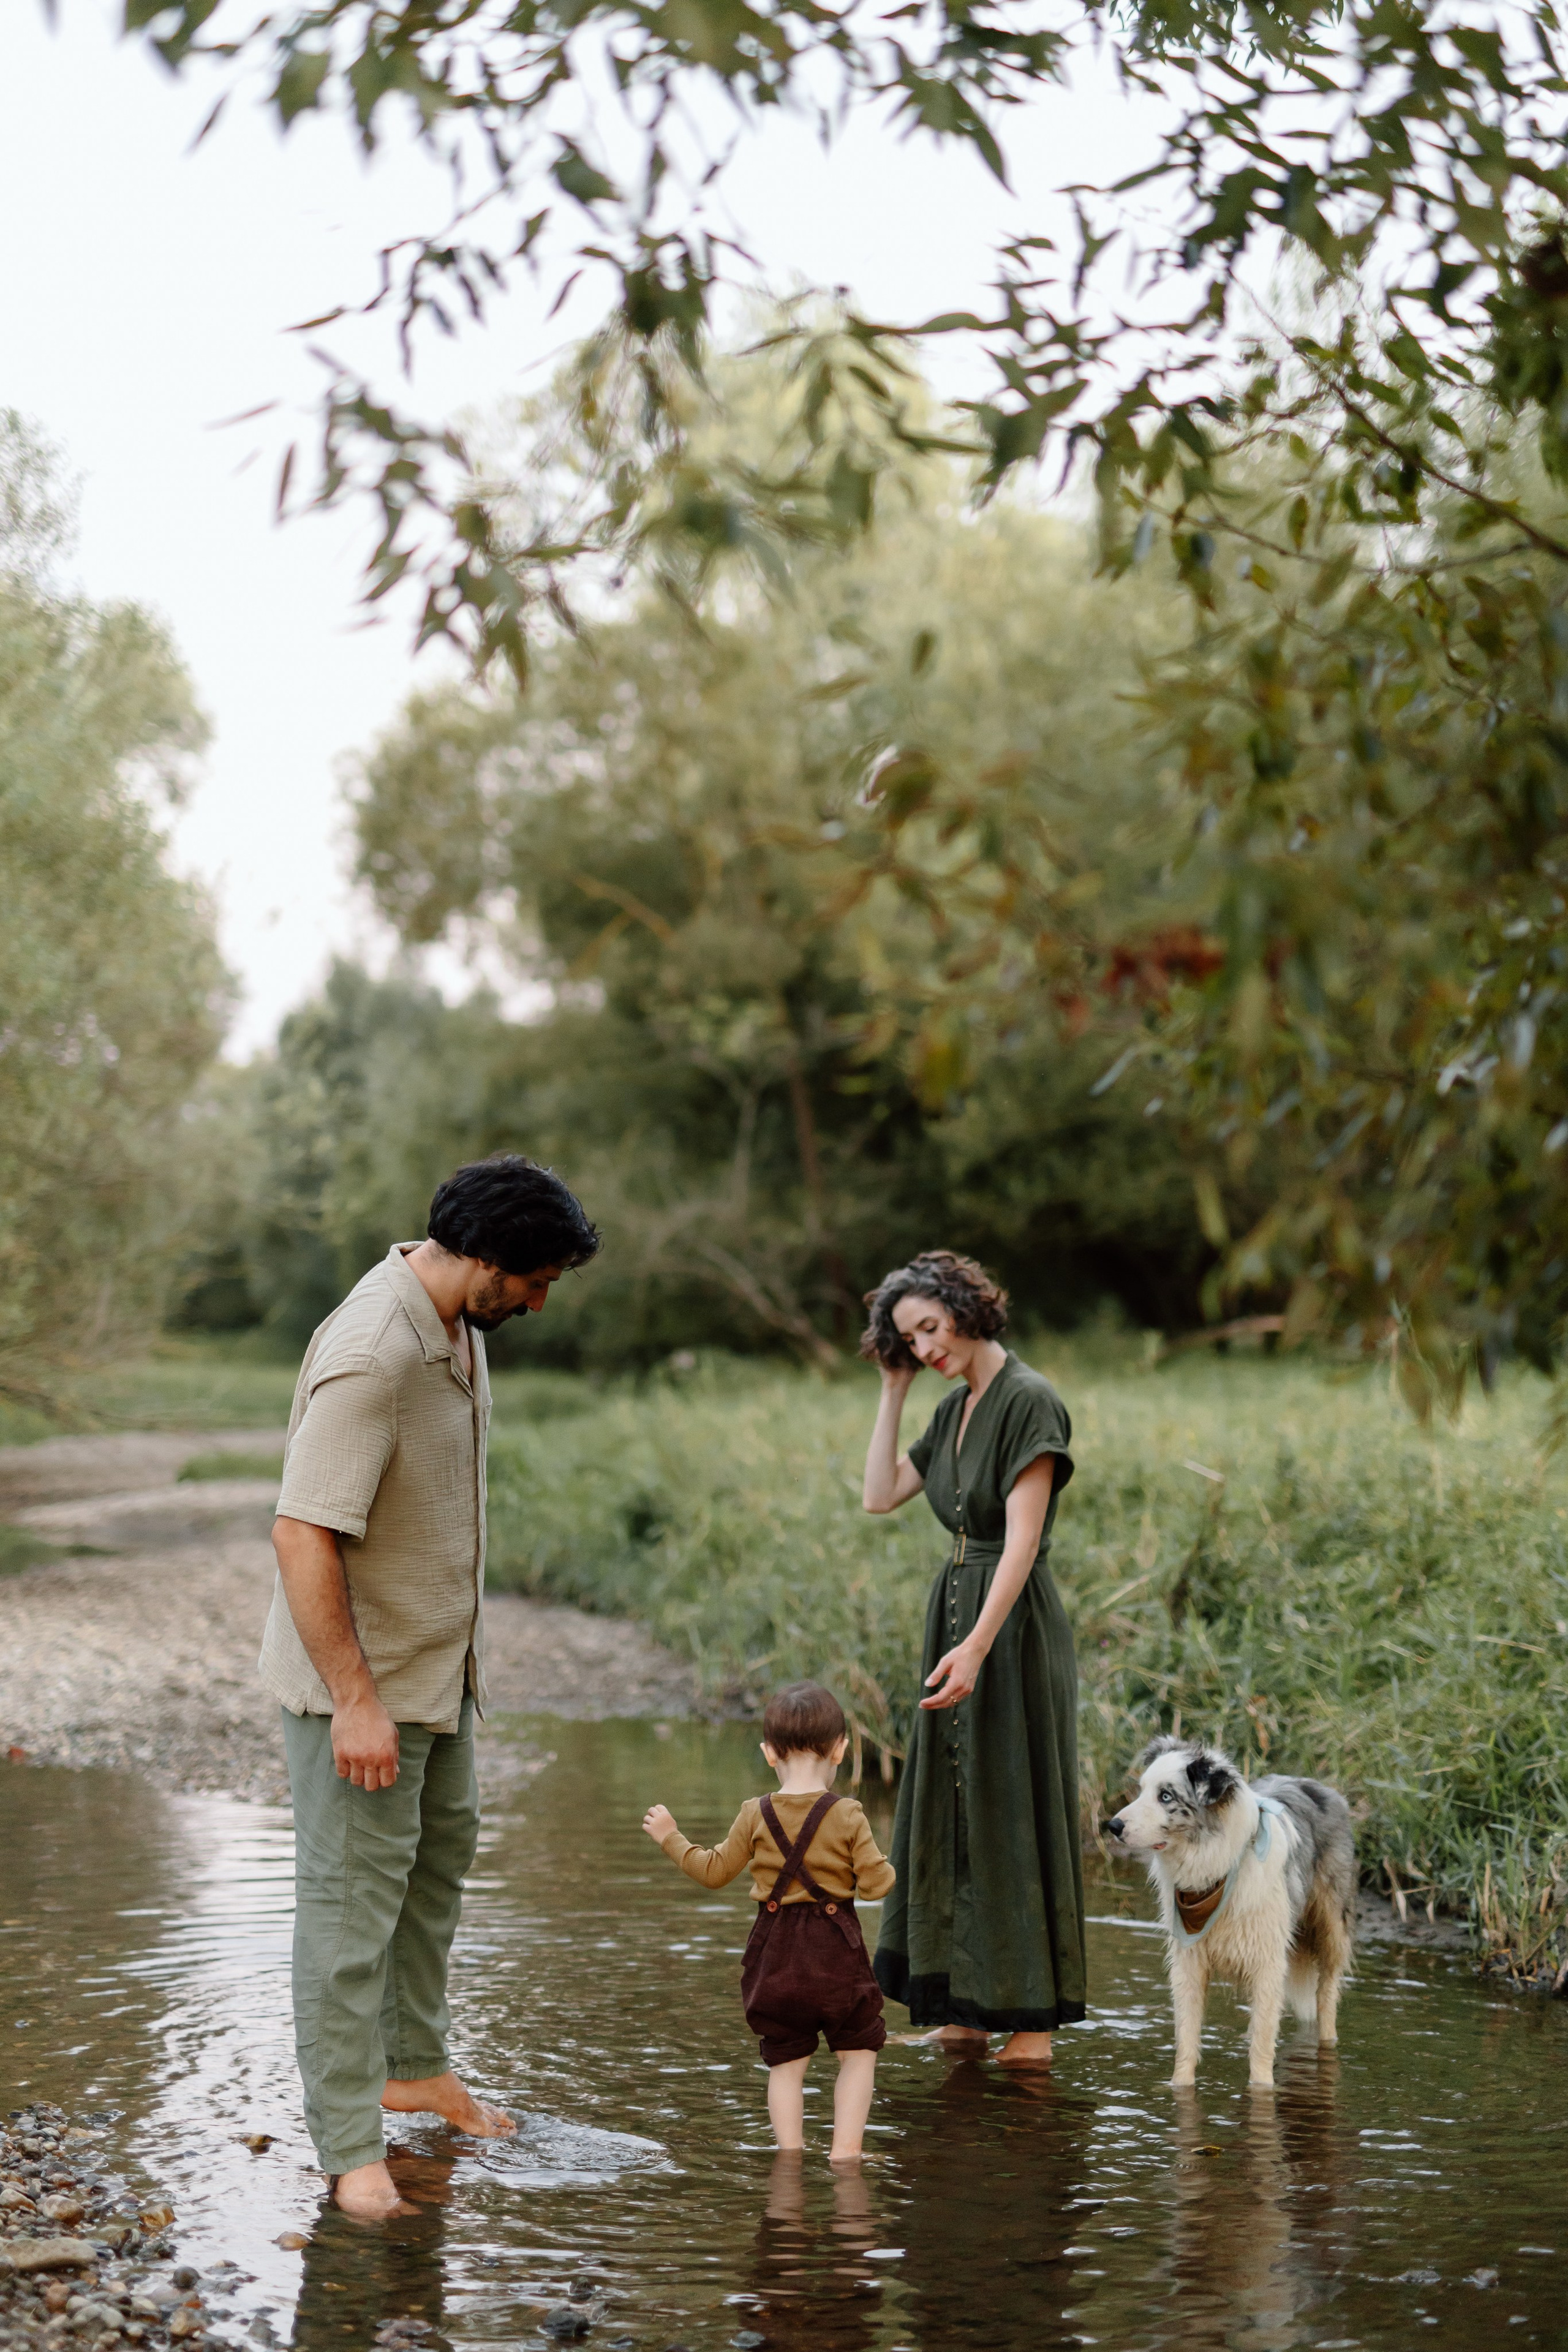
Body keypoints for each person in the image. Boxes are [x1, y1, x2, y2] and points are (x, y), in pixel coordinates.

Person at [260, 1155, 601, 2221]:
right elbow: (301, 1531)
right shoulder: (374, 1353)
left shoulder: (461, 1324)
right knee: (349, 1912)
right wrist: (356, 1700)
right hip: (357, 1691)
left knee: (435, 1873)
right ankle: (350, 2149)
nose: (542, 1301)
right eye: (537, 1279)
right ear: (484, 1258)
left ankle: (414, 2069)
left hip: (439, 1679)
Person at [860, 1250, 1085, 2066]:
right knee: (954, 1808)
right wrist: (893, 1390)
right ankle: (963, 2001)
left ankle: (1028, 2021)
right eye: (907, 1339)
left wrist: (978, 1646)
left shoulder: (1028, 1400)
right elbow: (879, 1495)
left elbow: (1023, 1539)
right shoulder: (953, 1408)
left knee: (1010, 1807)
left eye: (929, 1327)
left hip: (1010, 1629)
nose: (923, 1348)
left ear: (964, 1306)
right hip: (954, 1614)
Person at [641, 1681, 894, 2162]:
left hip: (776, 1957)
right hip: (836, 1957)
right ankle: (846, 2156)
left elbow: (713, 1872)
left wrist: (671, 1837)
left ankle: (790, 2159)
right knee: (857, 2054)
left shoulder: (752, 1814)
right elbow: (877, 1885)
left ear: (769, 1753)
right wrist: (886, 1861)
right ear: (841, 1748)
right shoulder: (848, 1814)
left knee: (786, 2062)